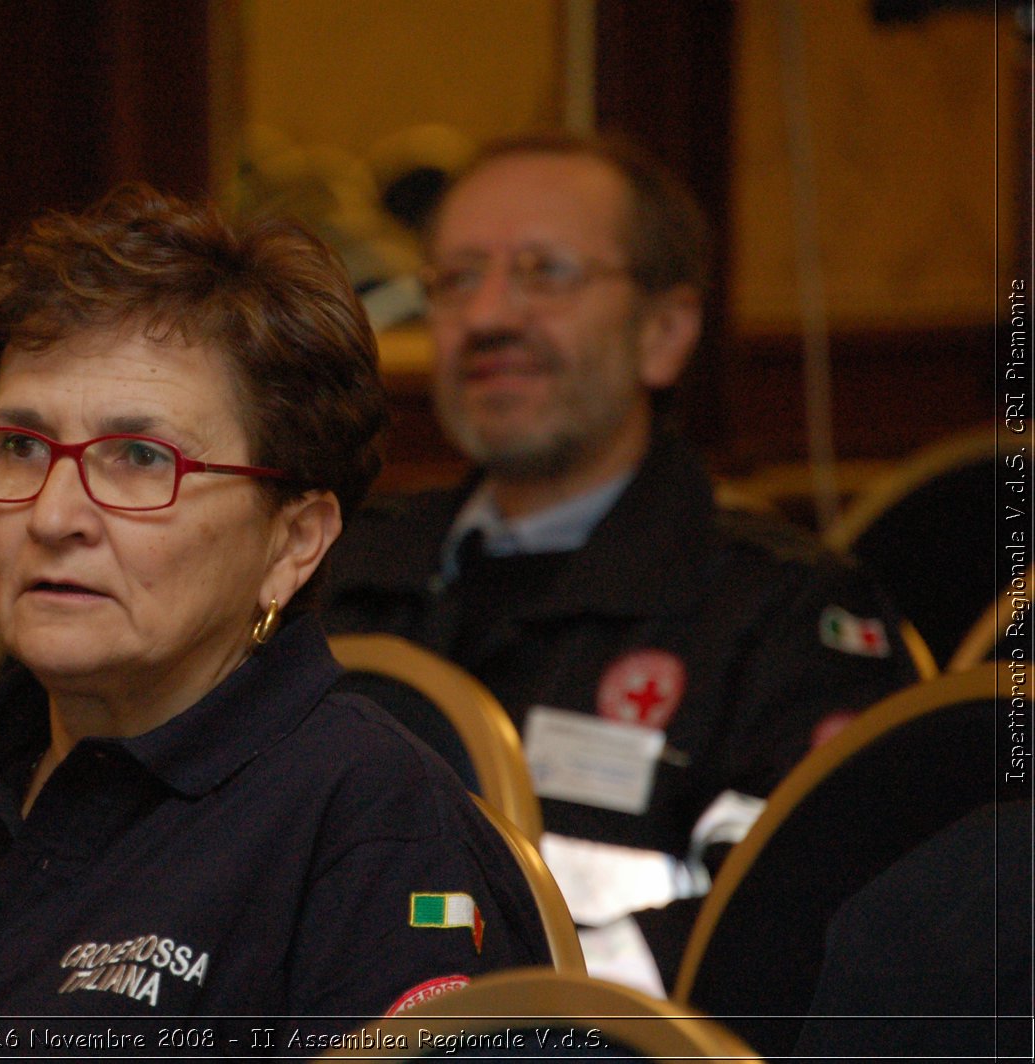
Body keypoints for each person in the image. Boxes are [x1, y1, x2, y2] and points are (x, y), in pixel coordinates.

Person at [0, 185, 551, 1042]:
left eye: (140, 460)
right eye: (20, 448)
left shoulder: (374, 832)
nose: (52, 515)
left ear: (293, 542)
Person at [321, 131, 919, 991]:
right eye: (456, 279)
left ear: (664, 332)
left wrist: (469, 1008)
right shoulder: (341, 568)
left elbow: (795, 925)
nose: (488, 316)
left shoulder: (781, 617)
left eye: (544, 272)